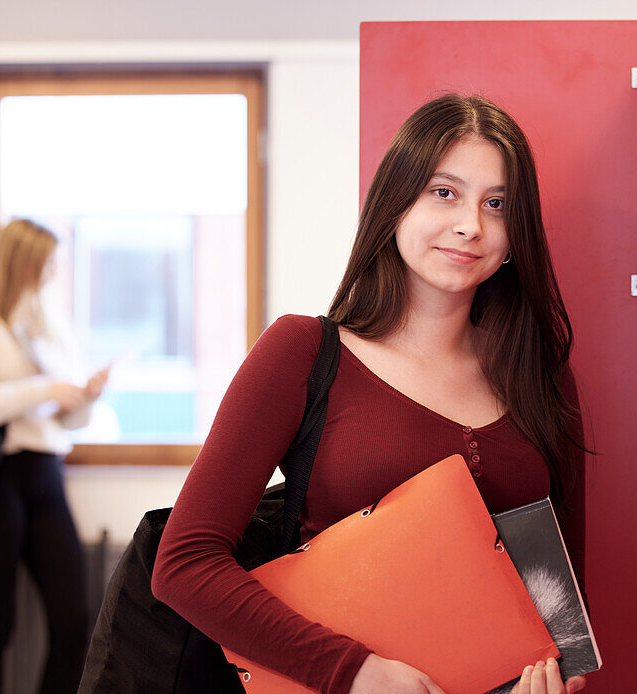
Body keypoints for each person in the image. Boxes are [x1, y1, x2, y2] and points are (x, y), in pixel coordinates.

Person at [152, 95, 589, 694]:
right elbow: (184, 564)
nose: (472, 224)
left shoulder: (542, 376)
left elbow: (568, 602)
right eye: (445, 192)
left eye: (497, 203)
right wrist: (354, 672)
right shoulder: (303, 353)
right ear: (395, 201)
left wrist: (563, 675)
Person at [0, 218, 110, 694]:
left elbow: (64, 419)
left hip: (44, 473)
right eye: (47, 262)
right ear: (23, 262)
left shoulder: (46, 324)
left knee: (74, 620)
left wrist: (83, 398)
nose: (54, 271)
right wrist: (42, 389)